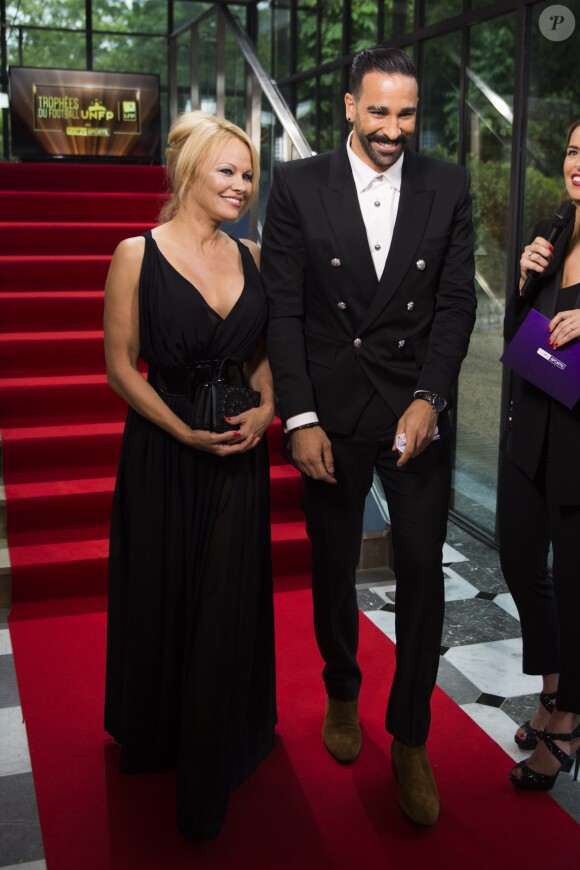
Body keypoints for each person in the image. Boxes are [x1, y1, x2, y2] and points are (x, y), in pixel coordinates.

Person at [260, 46, 476, 827]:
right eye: (378, 111)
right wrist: (302, 416)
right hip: (333, 409)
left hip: (413, 409)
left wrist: (431, 400)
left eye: (406, 113)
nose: (393, 129)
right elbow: (283, 308)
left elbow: (455, 306)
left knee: (423, 572)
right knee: (332, 564)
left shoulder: (447, 185)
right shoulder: (295, 185)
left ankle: (412, 736)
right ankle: (342, 687)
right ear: (349, 105)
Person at [103, 111, 276, 839]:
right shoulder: (135, 254)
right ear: (189, 175)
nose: (241, 186)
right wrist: (176, 429)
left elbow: (258, 356)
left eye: (248, 175)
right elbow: (119, 365)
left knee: (225, 601)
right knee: (166, 592)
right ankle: (163, 731)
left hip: (239, 453)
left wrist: (268, 410)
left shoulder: (255, 255)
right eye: (227, 172)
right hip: (164, 453)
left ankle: (214, 760)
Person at [498, 119, 580, 791]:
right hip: (531, 430)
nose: (579, 164)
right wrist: (526, 281)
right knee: (523, 561)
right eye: (576, 150)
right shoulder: (557, 230)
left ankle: (570, 725)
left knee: (578, 585)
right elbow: (518, 336)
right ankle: (553, 692)